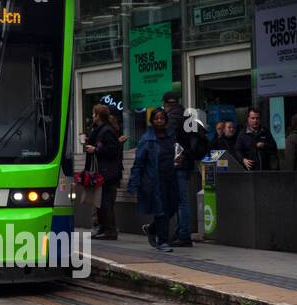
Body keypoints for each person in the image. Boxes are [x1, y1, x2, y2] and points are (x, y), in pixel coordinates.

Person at [127, 108, 178, 253]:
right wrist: (134, 184)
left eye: (162, 118)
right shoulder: (147, 139)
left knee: (172, 208)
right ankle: (162, 241)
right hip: (155, 180)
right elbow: (139, 163)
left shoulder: (170, 137)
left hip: (170, 178)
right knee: (161, 210)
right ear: (152, 121)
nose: (160, 121)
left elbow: (175, 154)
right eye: (157, 118)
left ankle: (151, 229)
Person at [162, 90, 206, 247]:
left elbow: (170, 140)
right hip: (188, 162)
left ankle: (183, 235)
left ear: (166, 104)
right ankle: (181, 232)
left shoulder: (172, 118)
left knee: (181, 201)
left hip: (178, 164)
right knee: (182, 200)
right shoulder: (188, 115)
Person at [84, 103, 122, 240]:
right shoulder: (100, 130)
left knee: (106, 201)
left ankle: (110, 230)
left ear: (98, 116)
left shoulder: (106, 131)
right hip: (102, 172)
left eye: (94, 114)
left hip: (107, 173)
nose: (92, 116)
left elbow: (113, 150)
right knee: (101, 201)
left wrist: (95, 150)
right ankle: (104, 228)